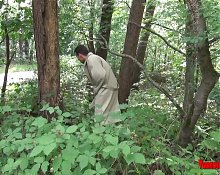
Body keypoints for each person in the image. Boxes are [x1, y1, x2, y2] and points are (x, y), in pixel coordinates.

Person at [74, 44, 120, 124]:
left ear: (80, 55)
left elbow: (100, 76)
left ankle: (101, 133)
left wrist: (96, 89)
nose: (78, 59)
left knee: (100, 114)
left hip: (106, 88)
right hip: (109, 87)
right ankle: (112, 132)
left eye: (77, 57)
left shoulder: (92, 59)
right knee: (110, 115)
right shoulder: (93, 58)